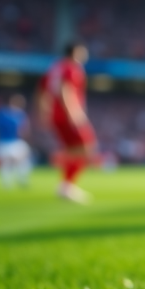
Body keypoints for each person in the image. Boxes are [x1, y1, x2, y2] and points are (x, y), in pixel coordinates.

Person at [37, 40, 95, 203]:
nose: (85, 55)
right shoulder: (71, 68)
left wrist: (44, 112)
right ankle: (67, 186)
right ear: (76, 52)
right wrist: (73, 113)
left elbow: (42, 90)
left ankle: (66, 186)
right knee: (87, 147)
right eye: (83, 51)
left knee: (73, 150)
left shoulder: (55, 67)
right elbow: (65, 89)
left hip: (57, 115)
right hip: (67, 114)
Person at [0, 93, 31, 189]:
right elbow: (23, 131)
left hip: (0, 143)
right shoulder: (19, 114)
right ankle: (22, 180)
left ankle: (6, 184)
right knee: (23, 160)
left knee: (6, 164)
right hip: (13, 142)